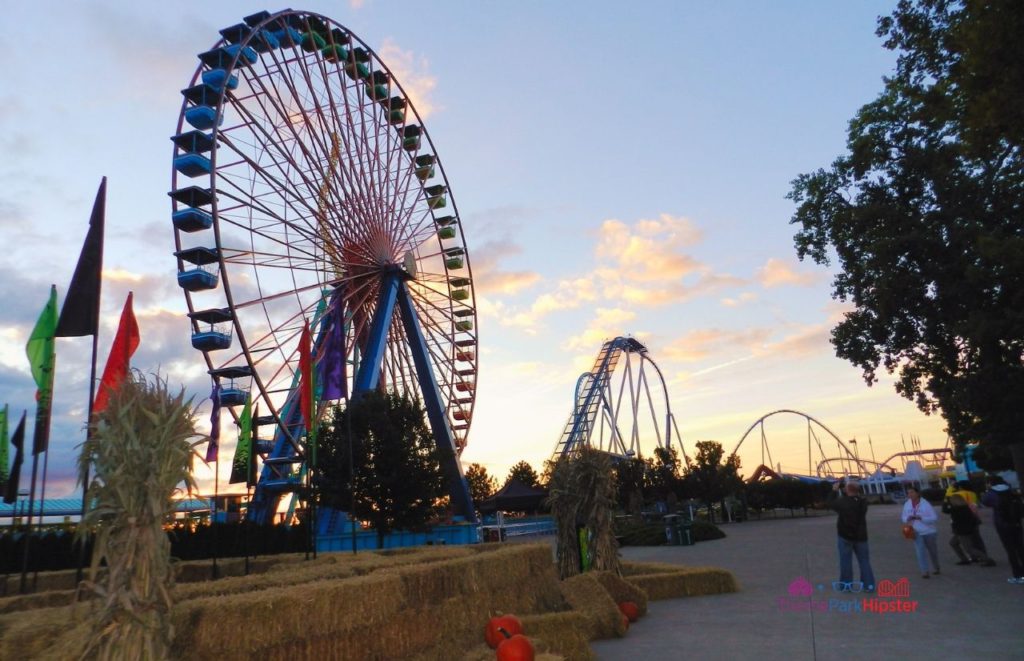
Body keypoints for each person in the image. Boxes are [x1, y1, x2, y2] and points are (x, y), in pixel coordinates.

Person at [828, 479, 876, 591]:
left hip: (845, 536)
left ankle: (846, 585)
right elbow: (858, 497)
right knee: (864, 561)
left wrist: (834, 490)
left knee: (845, 561)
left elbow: (830, 503)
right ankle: (869, 585)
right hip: (861, 536)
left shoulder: (843, 502)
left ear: (847, 490)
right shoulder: (863, 502)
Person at [981, 476, 1024, 584]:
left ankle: (1018, 575)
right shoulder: (1010, 490)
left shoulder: (991, 493)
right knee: (1020, 547)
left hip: (1002, 524)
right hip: (1016, 523)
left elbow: (984, 502)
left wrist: (988, 490)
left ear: (990, 483)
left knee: (1010, 550)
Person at [901, 486, 940, 578]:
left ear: (917, 493)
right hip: (916, 531)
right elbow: (903, 517)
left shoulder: (926, 504)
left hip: (929, 531)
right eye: (908, 493)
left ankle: (936, 567)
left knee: (932, 551)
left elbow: (934, 518)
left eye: (912, 492)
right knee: (920, 552)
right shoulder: (907, 504)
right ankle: (924, 571)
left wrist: (921, 518)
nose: (910, 494)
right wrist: (907, 518)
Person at [947, 493, 996, 566]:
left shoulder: (957, 509)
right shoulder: (965, 508)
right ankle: (964, 559)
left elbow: (952, 517)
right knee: (953, 543)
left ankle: (987, 559)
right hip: (964, 530)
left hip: (962, 531)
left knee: (969, 549)